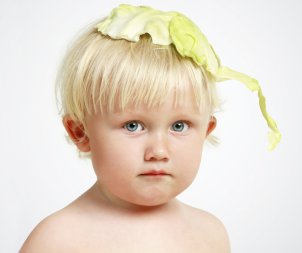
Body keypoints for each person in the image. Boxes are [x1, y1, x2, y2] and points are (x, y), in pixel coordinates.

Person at [20, 4, 280, 252]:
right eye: (133, 126)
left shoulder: (210, 233)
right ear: (80, 133)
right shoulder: (57, 241)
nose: (158, 151)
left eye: (179, 125)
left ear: (205, 131)